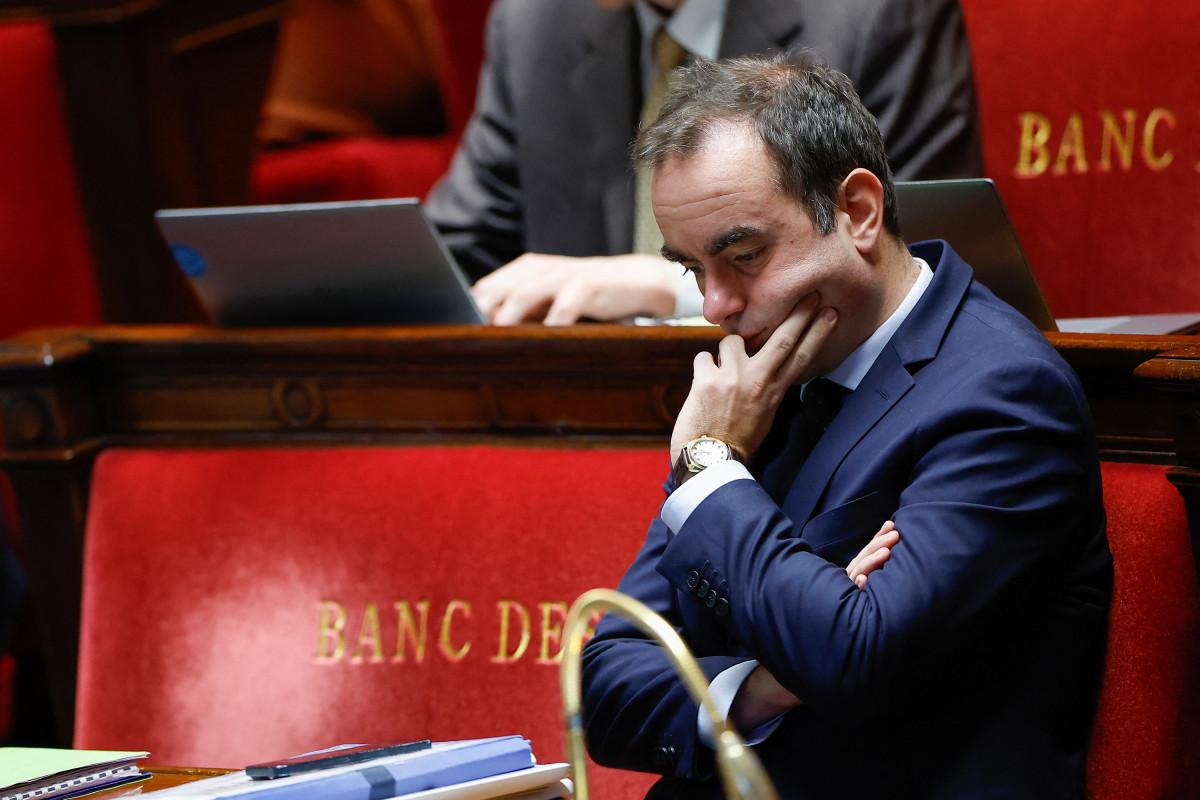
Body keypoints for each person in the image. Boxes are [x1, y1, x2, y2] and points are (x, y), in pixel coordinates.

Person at [580, 51, 1111, 798]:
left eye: (743, 256)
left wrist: (708, 469)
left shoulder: (1003, 394)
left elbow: (853, 658)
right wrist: (761, 685)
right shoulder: (756, 389)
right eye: (694, 268)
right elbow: (605, 684)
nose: (716, 307)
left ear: (858, 211)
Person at [425, 0, 984, 325]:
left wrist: (667, 286)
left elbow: (918, 263)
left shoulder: (873, 14)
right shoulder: (535, 22)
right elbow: (454, 253)